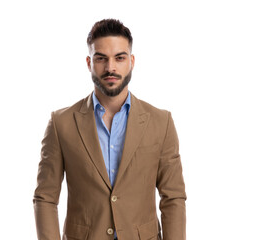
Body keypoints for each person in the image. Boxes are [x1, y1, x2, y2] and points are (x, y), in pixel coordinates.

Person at [33, 19, 187, 240]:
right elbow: (45, 198)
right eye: (101, 58)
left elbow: (173, 197)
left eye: (120, 58)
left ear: (131, 61)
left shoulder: (161, 122)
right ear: (89, 62)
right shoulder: (61, 123)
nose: (110, 67)